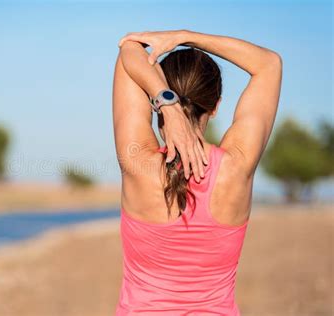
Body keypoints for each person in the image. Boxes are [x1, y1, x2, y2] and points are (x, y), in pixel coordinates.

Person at [112, 30, 282, 315]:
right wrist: (185, 36)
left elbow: (129, 48)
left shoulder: (138, 164)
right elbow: (269, 64)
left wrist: (166, 102)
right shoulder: (237, 167)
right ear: (215, 106)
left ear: (151, 101)